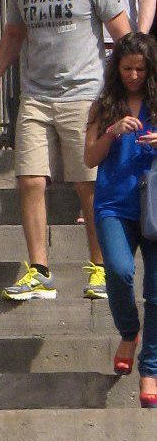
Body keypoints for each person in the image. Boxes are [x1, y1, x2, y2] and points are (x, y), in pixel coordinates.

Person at [0, 0, 130, 303]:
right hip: (36, 94)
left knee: (88, 185)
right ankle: (39, 271)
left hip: (83, 93)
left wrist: (125, 89)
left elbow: (123, 33)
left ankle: (101, 268)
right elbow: (14, 33)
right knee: (30, 179)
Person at [83, 33, 157, 410]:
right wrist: (112, 133)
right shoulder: (104, 106)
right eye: (127, 68)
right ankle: (130, 332)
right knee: (118, 269)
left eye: (140, 69)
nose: (133, 75)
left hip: (154, 204)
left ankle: (150, 369)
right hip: (114, 202)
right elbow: (89, 159)